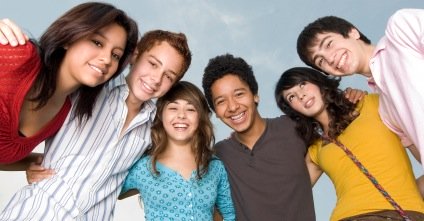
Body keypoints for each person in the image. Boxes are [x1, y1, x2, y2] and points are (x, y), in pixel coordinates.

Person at [0, 27, 192, 220]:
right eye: (152, 64)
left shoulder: (155, 131)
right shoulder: (85, 89)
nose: (156, 78)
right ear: (134, 55)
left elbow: (136, 180)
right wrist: (34, 161)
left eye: (168, 76)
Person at [0, 2, 138, 168]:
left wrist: (36, 163)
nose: (107, 59)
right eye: (97, 42)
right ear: (68, 38)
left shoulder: (62, 116)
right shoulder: (19, 57)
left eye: (116, 55)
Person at [274, 67, 424, 221]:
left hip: (401, 213)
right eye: (291, 97)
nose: (301, 95)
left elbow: (417, 146)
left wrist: (412, 192)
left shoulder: (372, 104)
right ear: (293, 111)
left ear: (319, 82)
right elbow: (288, 196)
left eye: (302, 84)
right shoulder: (316, 149)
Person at [296, 9, 424, 170]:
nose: (330, 59)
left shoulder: (401, 28)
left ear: (353, 32)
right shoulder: (384, 108)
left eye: (328, 44)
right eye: (320, 61)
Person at [201, 53, 316, 220]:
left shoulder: (293, 127)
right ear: (216, 113)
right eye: (221, 101)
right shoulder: (218, 156)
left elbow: (335, 136)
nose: (232, 106)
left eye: (239, 94)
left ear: (255, 95)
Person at [119, 81, 235, 220]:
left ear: (201, 117)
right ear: (161, 114)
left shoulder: (215, 167)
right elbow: (102, 193)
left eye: (191, 109)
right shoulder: (144, 167)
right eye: (173, 108)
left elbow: (229, 215)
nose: (181, 115)